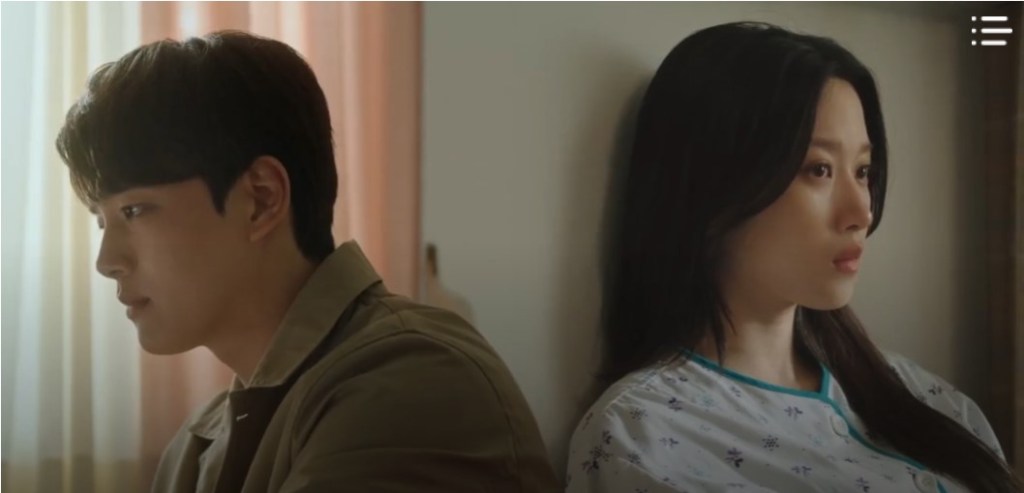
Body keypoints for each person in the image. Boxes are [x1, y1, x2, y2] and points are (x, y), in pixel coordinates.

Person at [56, 30, 560, 492]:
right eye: (102, 222)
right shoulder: (195, 446)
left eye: (134, 211)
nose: (107, 261)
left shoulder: (412, 381)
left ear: (261, 199)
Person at [565, 22, 1022, 493]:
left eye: (863, 170)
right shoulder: (641, 437)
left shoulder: (928, 400)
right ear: (712, 188)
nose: (862, 212)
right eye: (819, 169)